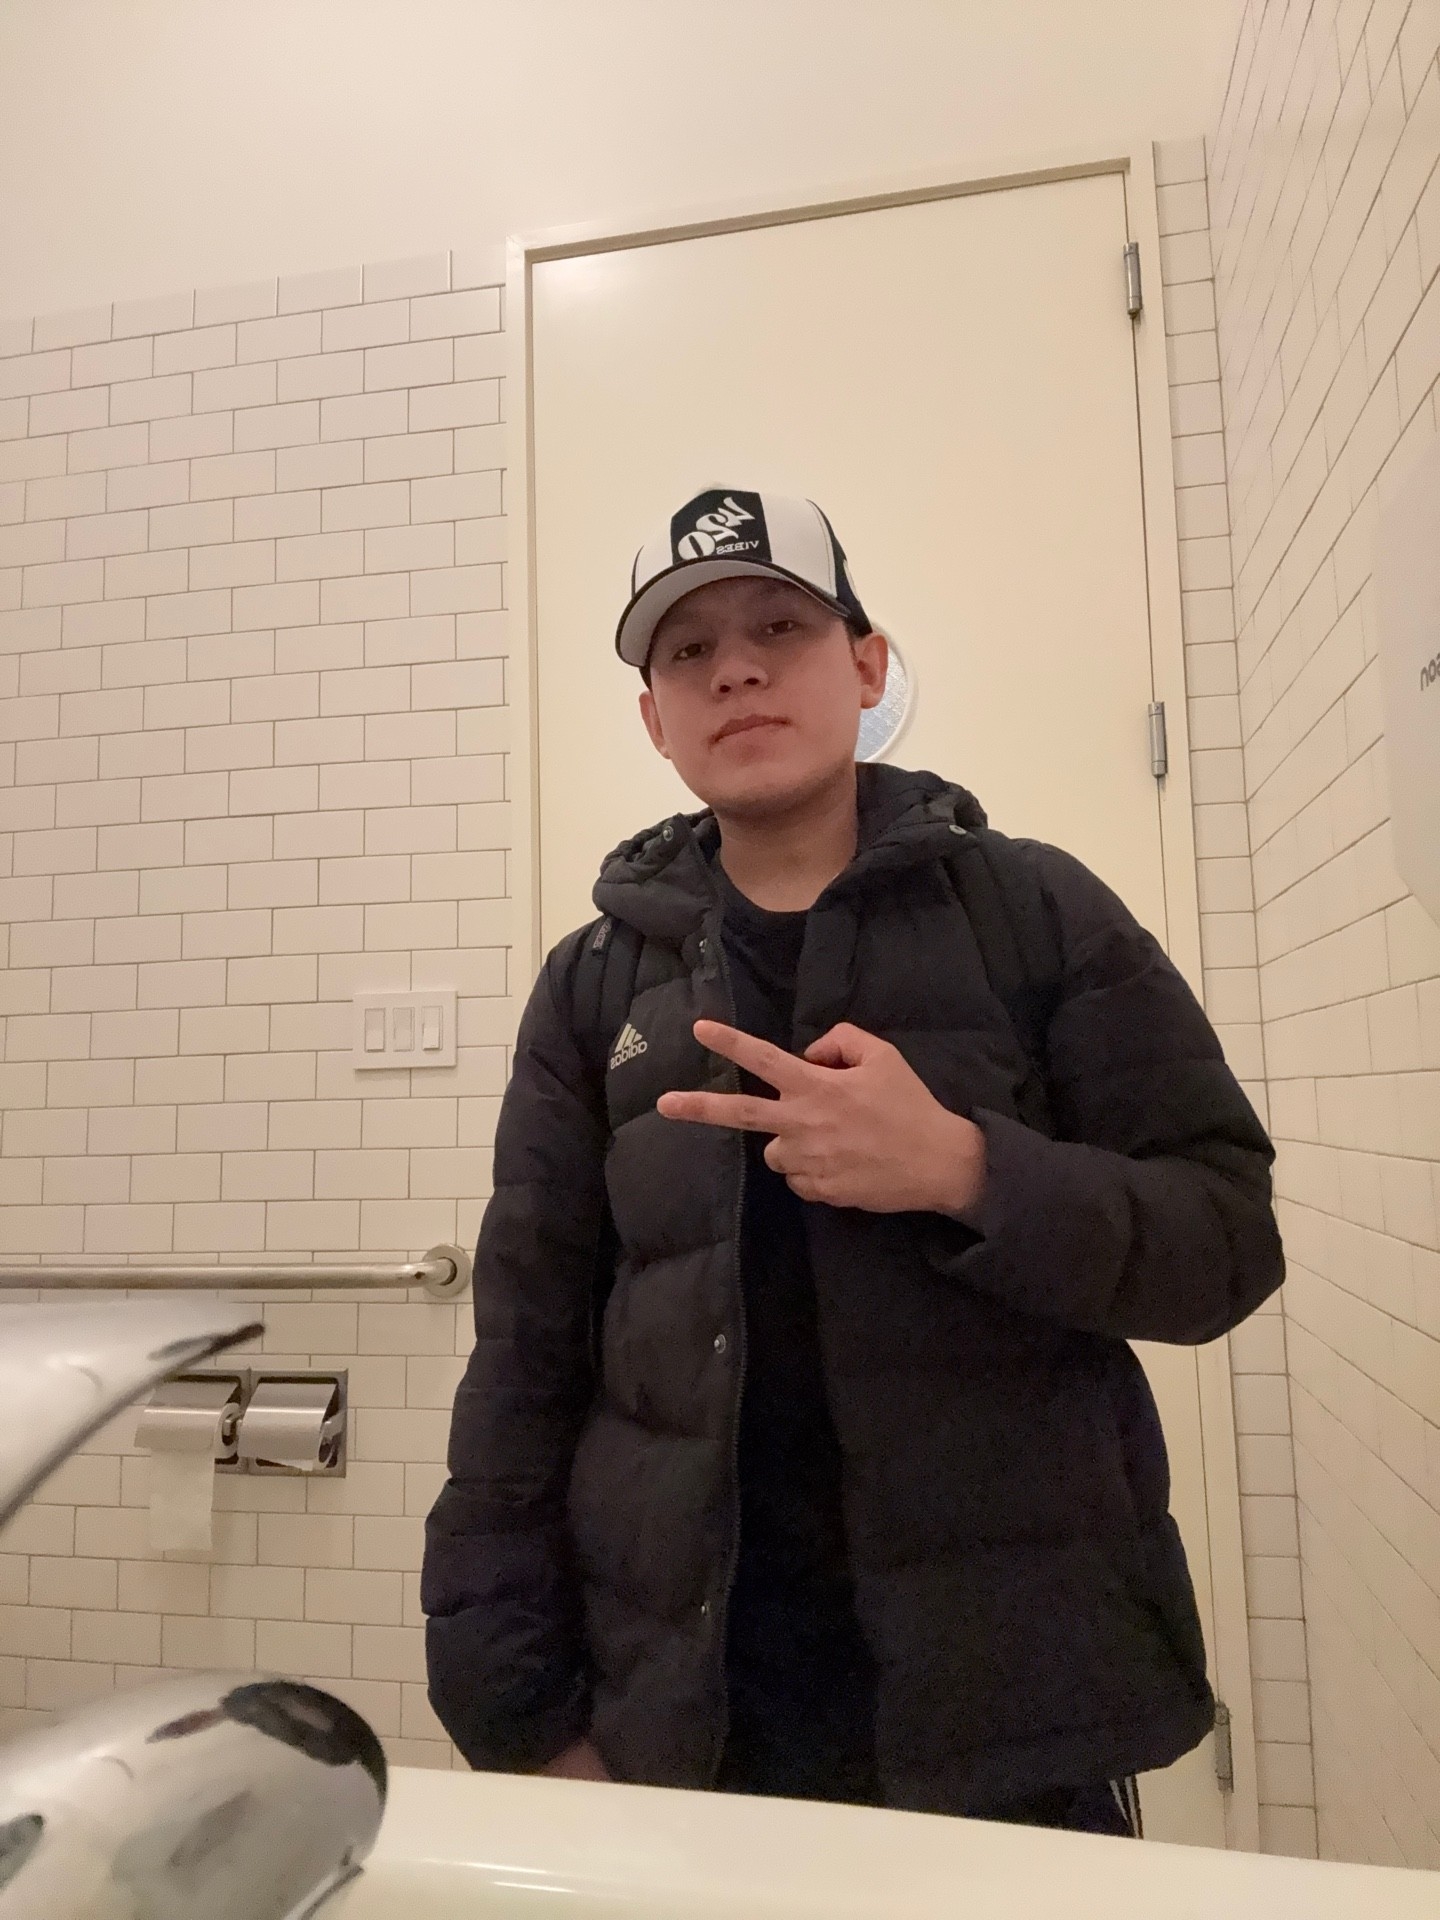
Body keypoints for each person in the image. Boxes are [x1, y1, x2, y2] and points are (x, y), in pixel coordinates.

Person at [422, 487, 1284, 1837]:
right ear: (654, 718)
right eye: (689, 651)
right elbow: (524, 1358)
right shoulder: (592, 986)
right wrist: (519, 1716)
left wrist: (966, 1169)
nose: (736, 670)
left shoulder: (1035, 912)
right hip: (687, 1721)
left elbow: (1225, 1243)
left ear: (868, 667)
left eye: (780, 626)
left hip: (1016, 1719)